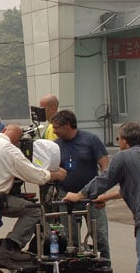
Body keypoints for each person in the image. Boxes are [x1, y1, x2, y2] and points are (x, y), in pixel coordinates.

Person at [63, 122, 140, 272]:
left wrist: (78, 195)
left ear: (125, 140)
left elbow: (104, 179)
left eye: (118, 139)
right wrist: (106, 197)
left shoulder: (123, 156)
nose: (118, 143)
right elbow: (138, 187)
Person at [0, 124, 67, 262]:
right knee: (34, 210)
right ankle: (11, 247)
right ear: (17, 141)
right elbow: (36, 176)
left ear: (3, 131)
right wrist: (57, 174)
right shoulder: (11, 151)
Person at [52, 109, 111, 260]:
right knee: (70, 239)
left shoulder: (90, 140)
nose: (54, 130)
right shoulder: (55, 146)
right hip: (66, 197)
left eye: (56, 127)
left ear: (66, 126)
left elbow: (105, 166)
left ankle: (105, 266)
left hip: (91, 197)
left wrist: (102, 193)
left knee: (100, 236)